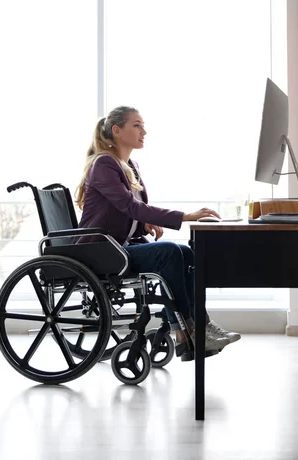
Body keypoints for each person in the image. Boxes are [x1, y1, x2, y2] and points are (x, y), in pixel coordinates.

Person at [75, 106, 241, 358]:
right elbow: (130, 206)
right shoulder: (104, 164)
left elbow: (126, 211)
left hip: (119, 245)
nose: (144, 131)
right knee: (170, 252)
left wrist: (143, 224)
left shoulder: (128, 164)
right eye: (137, 125)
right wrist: (186, 216)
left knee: (186, 252)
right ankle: (185, 331)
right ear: (117, 130)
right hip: (102, 251)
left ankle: (199, 324)